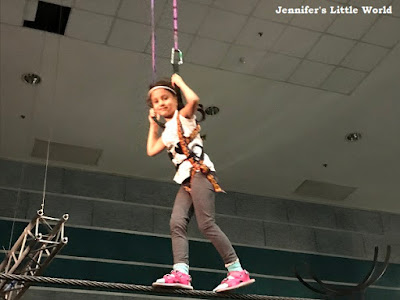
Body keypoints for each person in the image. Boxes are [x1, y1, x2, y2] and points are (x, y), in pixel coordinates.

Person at [146, 74, 255, 292]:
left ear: (176, 99)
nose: (162, 103)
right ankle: (181, 273)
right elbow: (151, 150)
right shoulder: (167, 130)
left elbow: (194, 100)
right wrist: (152, 124)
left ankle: (237, 270)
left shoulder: (183, 117)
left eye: (166, 97)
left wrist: (180, 82)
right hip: (186, 180)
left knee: (206, 224)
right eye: (157, 101)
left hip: (199, 173)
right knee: (176, 222)